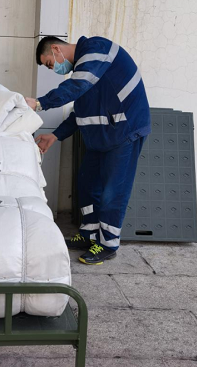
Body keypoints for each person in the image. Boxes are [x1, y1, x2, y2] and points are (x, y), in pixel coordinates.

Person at [25, 36, 150, 265]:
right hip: (102, 136)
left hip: (125, 132)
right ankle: (89, 234)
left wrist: (40, 103)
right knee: (86, 183)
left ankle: (108, 244)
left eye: (51, 64)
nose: (54, 69)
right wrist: (55, 135)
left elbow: (77, 87)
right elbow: (80, 111)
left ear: (56, 49)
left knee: (113, 192)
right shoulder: (86, 71)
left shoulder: (96, 49)